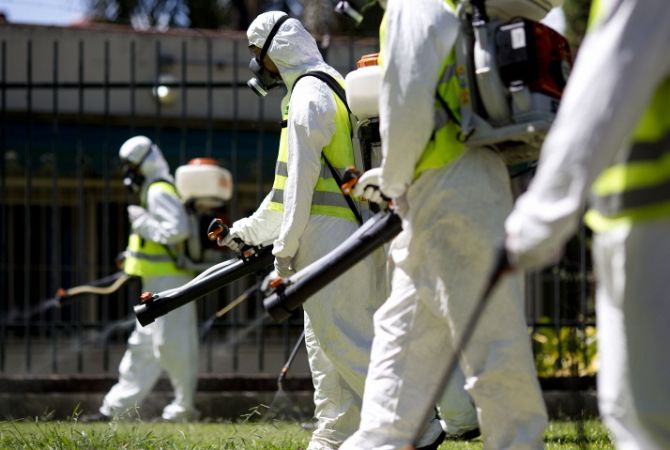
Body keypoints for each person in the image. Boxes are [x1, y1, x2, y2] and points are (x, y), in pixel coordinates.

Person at [219, 11, 446, 449]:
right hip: (343, 233)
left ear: (276, 51)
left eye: (257, 54)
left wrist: (285, 249)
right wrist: (246, 231)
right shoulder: (327, 88)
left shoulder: (308, 94)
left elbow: (303, 182)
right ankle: (335, 433)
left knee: (346, 342)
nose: (257, 65)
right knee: (325, 348)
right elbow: (284, 192)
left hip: (326, 237)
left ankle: (419, 426)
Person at [340, 0, 548, 448]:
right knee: (401, 340)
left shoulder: (412, 5)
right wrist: (396, 179)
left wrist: (393, 178)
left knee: (491, 338)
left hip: (451, 189)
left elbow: (407, 100)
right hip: (448, 185)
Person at [504, 0, 670, 448]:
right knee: (629, 409)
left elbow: (602, 92)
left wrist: (536, 223)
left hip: (655, 228)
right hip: (633, 221)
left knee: (649, 414)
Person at [82, 136, 199, 422]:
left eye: (131, 166)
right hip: (156, 282)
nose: (128, 172)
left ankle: (183, 409)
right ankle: (113, 410)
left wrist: (141, 221)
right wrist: (131, 254)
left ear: (145, 163)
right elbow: (156, 240)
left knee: (173, 346)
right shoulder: (152, 190)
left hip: (171, 283)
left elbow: (176, 231)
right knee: (142, 348)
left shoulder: (158, 191)